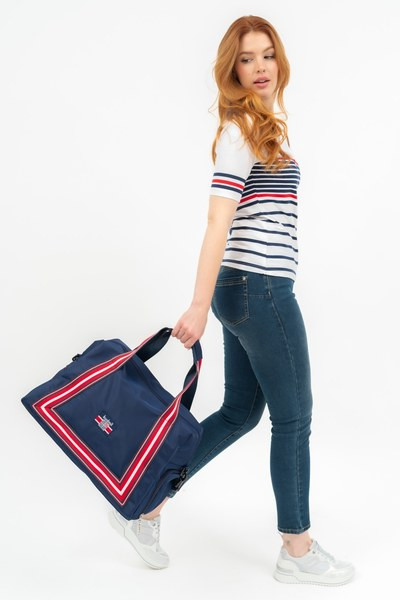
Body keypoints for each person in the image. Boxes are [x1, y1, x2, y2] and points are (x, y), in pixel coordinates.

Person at [108, 15, 355, 585]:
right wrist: (197, 305)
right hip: (260, 291)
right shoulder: (242, 131)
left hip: (244, 290)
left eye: (267, 54)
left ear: (280, 60)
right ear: (232, 69)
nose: (260, 66)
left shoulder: (264, 129)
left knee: (241, 412)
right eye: (247, 58)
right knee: (294, 418)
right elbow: (217, 222)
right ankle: (297, 551)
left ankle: (144, 509)